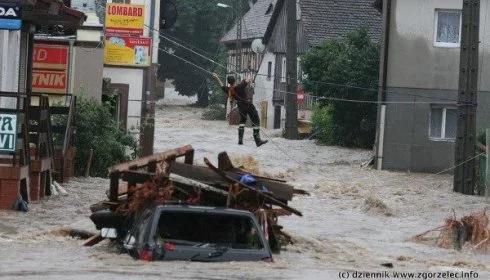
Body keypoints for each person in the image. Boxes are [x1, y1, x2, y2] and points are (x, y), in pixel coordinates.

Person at [211, 73, 268, 147]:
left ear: (228, 82)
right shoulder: (240, 86)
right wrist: (250, 75)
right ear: (234, 81)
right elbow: (248, 80)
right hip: (248, 105)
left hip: (240, 107)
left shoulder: (228, 89)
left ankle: (240, 140)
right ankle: (258, 141)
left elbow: (222, 86)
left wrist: (216, 77)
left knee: (242, 121)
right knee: (256, 120)